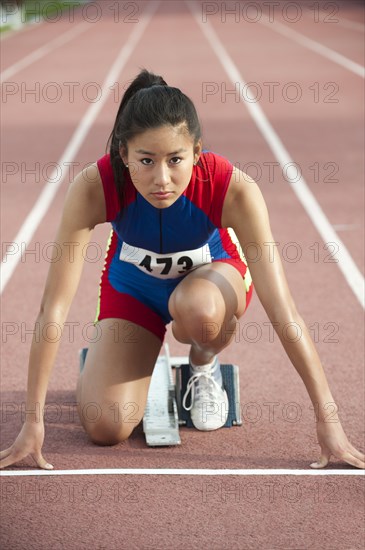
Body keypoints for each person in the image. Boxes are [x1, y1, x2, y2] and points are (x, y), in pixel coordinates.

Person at [0, 69, 363, 470]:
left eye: (176, 160)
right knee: (105, 428)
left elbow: (285, 312)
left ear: (197, 151)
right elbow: (53, 308)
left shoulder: (232, 188)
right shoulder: (94, 186)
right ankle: (110, 360)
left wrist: (327, 420)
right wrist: (32, 423)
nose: (162, 179)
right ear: (123, 155)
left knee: (200, 314)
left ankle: (201, 364)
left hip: (210, 281)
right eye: (145, 161)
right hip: (134, 288)